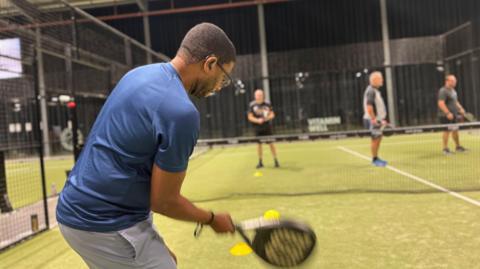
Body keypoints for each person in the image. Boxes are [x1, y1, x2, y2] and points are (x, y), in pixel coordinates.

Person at [56, 23, 236, 269]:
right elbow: (164, 201)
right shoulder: (181, 113)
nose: (218, 87)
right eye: (223, 79)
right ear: (210, 64)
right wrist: (212, 219)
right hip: (102, 221)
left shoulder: (138, 74)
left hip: (79, 208)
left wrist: (153, 247)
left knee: (166, 261)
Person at [248, 89, 280, 169]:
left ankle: (276, 160)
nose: (258, 96)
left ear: (263, 95)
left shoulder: (267, 104)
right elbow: (250, 117)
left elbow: (272, 114)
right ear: (255, 96)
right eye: (257, 95)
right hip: (257, 128)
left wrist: (266, 119)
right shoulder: (252, 105)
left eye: (260, 95)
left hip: (267, 127)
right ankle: (260, 162)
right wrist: (257, 120)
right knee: (259, 145)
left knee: (271, 144)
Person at [363, 71, 388, 167]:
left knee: (378, 138)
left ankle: (376, 158)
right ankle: (375, 159)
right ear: (374, 80)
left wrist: (381, 120)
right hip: (372, 120)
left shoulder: (374, 90)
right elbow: (369, 107)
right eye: (380, 78)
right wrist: (374, 120)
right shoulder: (371, 91)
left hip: (377, 120)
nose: (382, 80)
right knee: (375, 139)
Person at [437, 74, 467, 154]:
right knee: (447, 131)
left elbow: (455, 102)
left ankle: (458, 147)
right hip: (445, 115)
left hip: (454, 115)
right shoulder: (443, 91)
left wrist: (460, 108)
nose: (455, 82)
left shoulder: (453, 91)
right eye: (453, 81)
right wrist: (447, 113)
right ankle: (445, 149)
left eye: (455, 81)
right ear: (447, 81)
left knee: (455, 130)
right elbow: (441, 103)